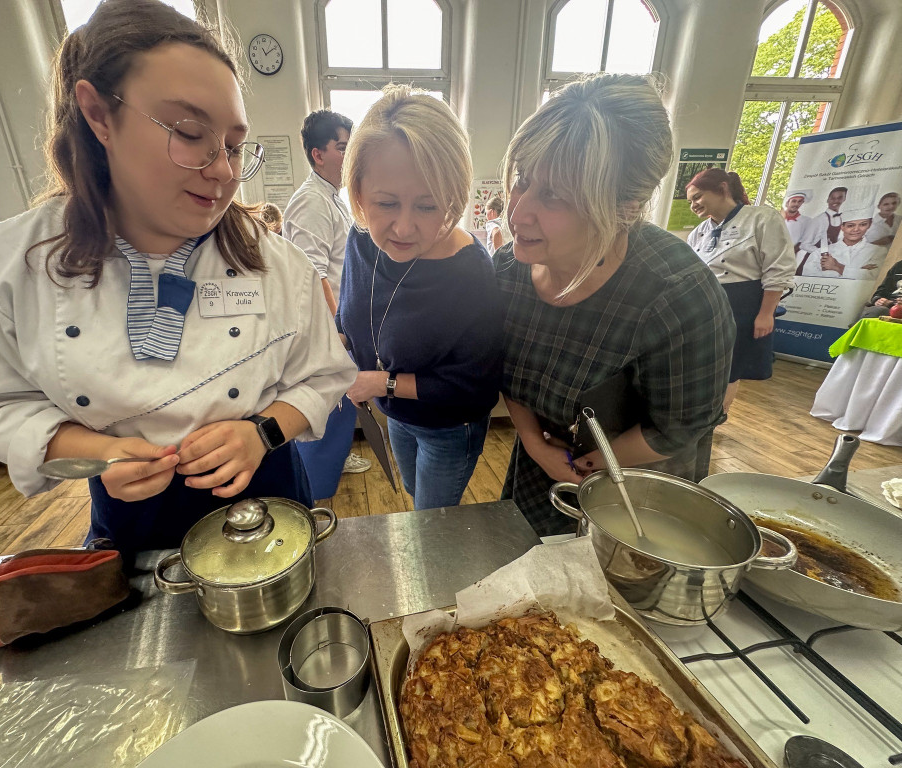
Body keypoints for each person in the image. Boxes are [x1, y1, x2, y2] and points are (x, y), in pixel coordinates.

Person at [0, 0, 356, 560]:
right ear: (97, 115)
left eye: (233, 146)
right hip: (132, 520)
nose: (222, 170)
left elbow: (325, 376)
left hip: (267, 502)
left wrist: (261, 433)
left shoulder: (277, 264)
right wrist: (96, 452)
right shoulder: (11, 262)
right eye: (189, 133)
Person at [494, 73, 734, 537]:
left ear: (627, 206)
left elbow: (680, 426)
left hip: (639, 485)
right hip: (541, 462)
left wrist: (590, 462)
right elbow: (508, 375)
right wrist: (535, 445)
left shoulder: (680, 295)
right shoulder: (508, 271)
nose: (518, 212)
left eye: (555, 195)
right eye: (522, 181)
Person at [339, 85, 503, 510]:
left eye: (427, 207)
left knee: (432, 523)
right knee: (414, 497)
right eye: (386, 203)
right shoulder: (360, 243)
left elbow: (474, 388)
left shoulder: (469, 272)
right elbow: (352, 322)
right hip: (396, 415)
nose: (404, 228)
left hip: (450, 426)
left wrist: (379, 382)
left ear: (453, 197)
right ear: (358, 193)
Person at [283, 109, 371, 490]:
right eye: (342, 148)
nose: (349, 156)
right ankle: (316, 491)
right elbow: (312, 273)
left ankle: (335, 459)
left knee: (340, 409)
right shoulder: (311, 202)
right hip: (327, 330)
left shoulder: (331, 196)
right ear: (318, 154)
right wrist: (335, 327)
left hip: (340, 325)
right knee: (326, 409)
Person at [686, 169, 795, 412]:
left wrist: (766, 313)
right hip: (704, 303)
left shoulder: (762, 218)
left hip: (742, 304)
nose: (694, 205)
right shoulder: (700, 231)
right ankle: (696, 412)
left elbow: (778, 269)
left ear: (722, 189)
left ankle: (716, 416)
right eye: (691, 201)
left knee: (730, 367)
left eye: (698, 197)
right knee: (702, 364)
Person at [801, 193, 887, 280]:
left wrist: (837, 267)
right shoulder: (819, 253)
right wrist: (858, 271)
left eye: (863, 224)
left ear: (869, 225)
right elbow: (809, 279)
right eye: (850, 225)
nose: (856, 229)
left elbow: (875, 277)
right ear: (842, 227)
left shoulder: (878, 251)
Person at [797, 186, 847, 275]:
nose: (835, 201)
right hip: (813, 263)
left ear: (844, 199)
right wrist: (821, 253)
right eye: (833, 198)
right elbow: (804, 245)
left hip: (833, 264)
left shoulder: (845, 219)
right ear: (828, 200)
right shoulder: (818, 220)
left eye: (839, 198)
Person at [781, 189, 812, 270]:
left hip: (791, 260)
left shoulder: (807, 221)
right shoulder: (776, 218)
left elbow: (805, 241)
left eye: (799, 201)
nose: (796, 204)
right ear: (787, 203)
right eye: (794, 201)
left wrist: (790, 253)